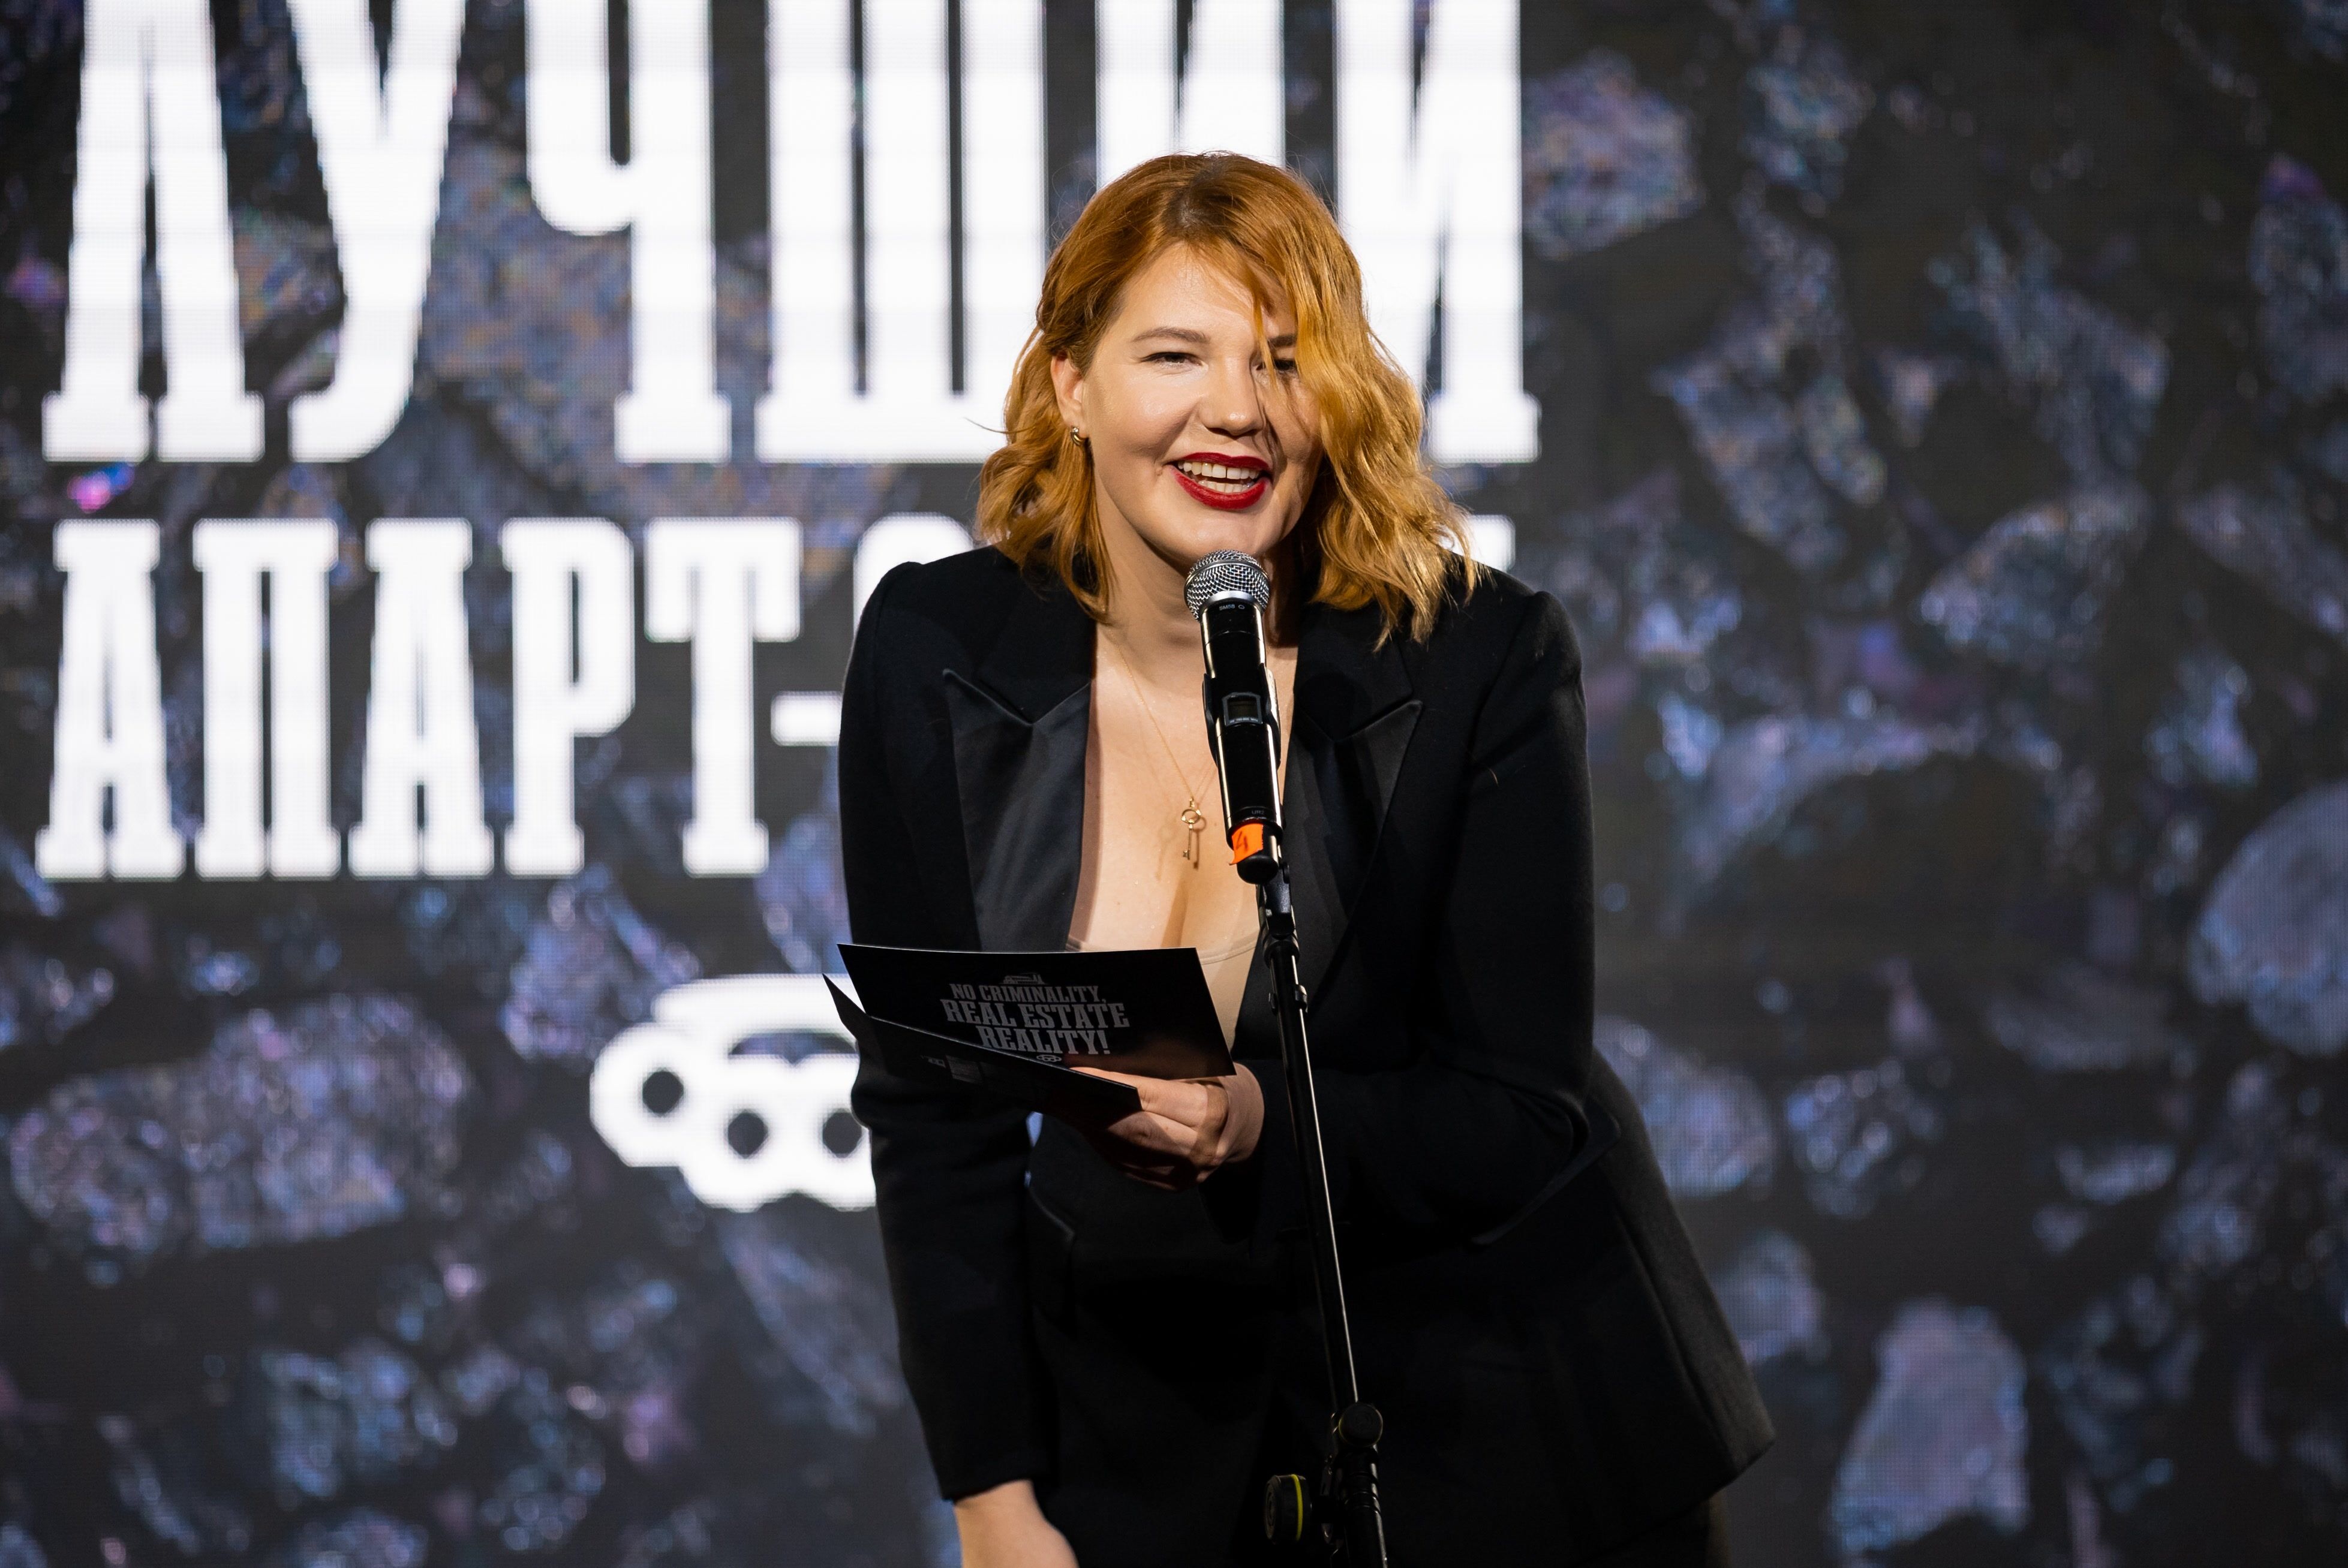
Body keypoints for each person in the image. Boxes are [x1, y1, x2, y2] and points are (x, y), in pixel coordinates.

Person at [838, 152, 1772, 1568]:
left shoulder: (1473, 656)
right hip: (1147, 1425)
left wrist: (1257, 1122)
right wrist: (993, 1495)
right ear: (1070, 385)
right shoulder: (936, 652)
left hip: (1503, 1414)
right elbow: (932, 1118)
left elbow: (1516, 1111)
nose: (1236, 408)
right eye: (1174, 355)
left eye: (1283, 360)